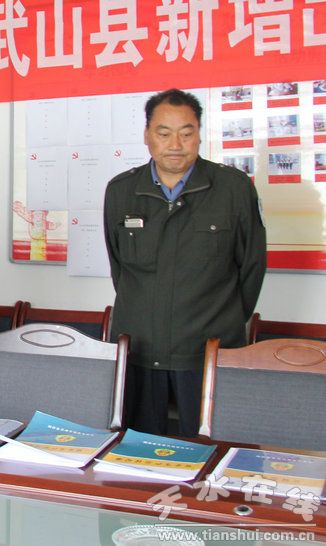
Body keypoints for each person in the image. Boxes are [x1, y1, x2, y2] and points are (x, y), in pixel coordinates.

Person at [103, 88, 266, 437]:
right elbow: (120, 269)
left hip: (209, 351)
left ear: (199, 135)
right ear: (147, 135)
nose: (175, 144)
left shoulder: (233, 188)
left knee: (210, 451)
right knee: (138, 452)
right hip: (140, 349)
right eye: (164, 133)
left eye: (186, 133)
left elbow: (251, 268)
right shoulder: (121, 191)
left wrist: (223, 321)